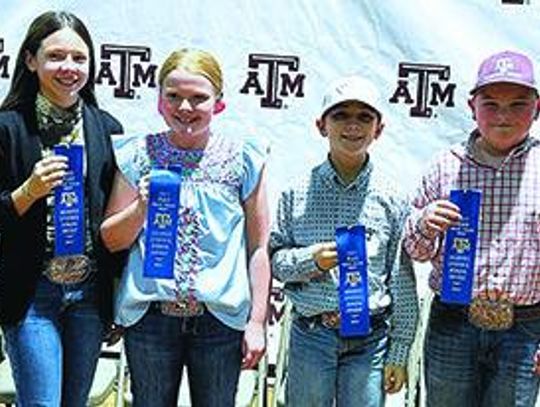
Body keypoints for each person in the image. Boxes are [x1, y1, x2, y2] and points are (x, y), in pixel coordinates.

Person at [100, 48, 271, 407]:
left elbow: (258, 246)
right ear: (159, 101)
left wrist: (256, 322)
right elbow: (112, 239)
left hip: (220, 320)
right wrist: (141, 208)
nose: (185, 108)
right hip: (151, 319)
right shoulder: (138, 154)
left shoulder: (244, 159)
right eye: (174, 96)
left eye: (198, 98)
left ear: (219, 104)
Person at [0, 10, 125, 407]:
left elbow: (113, 223)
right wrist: (27, 192)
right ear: (30, 61)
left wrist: (119, 297)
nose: (68, 67)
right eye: (55, 56)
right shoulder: (7, 128)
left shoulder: (107, 128)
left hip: (89, 294)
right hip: (32, 293)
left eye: (79, 58)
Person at [270, 75, 419, 407]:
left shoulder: (392, 198)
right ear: (321, 125)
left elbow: (402, 280)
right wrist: (312, 260)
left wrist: (399, 349)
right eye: (341, 116)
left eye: (364, 117)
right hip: (312, 333)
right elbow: (275, 262)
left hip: (371, 338)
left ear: (379, 129)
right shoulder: (295, 193)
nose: (353, 125)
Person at [403, 50, 540, 407]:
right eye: (491, 103)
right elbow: (414, 251)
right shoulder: (444, 167)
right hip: (454, 320)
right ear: (471, 106)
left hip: (525, 327)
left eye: (518, 104)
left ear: (537, 107)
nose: (504, 115)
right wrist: (424, 224)